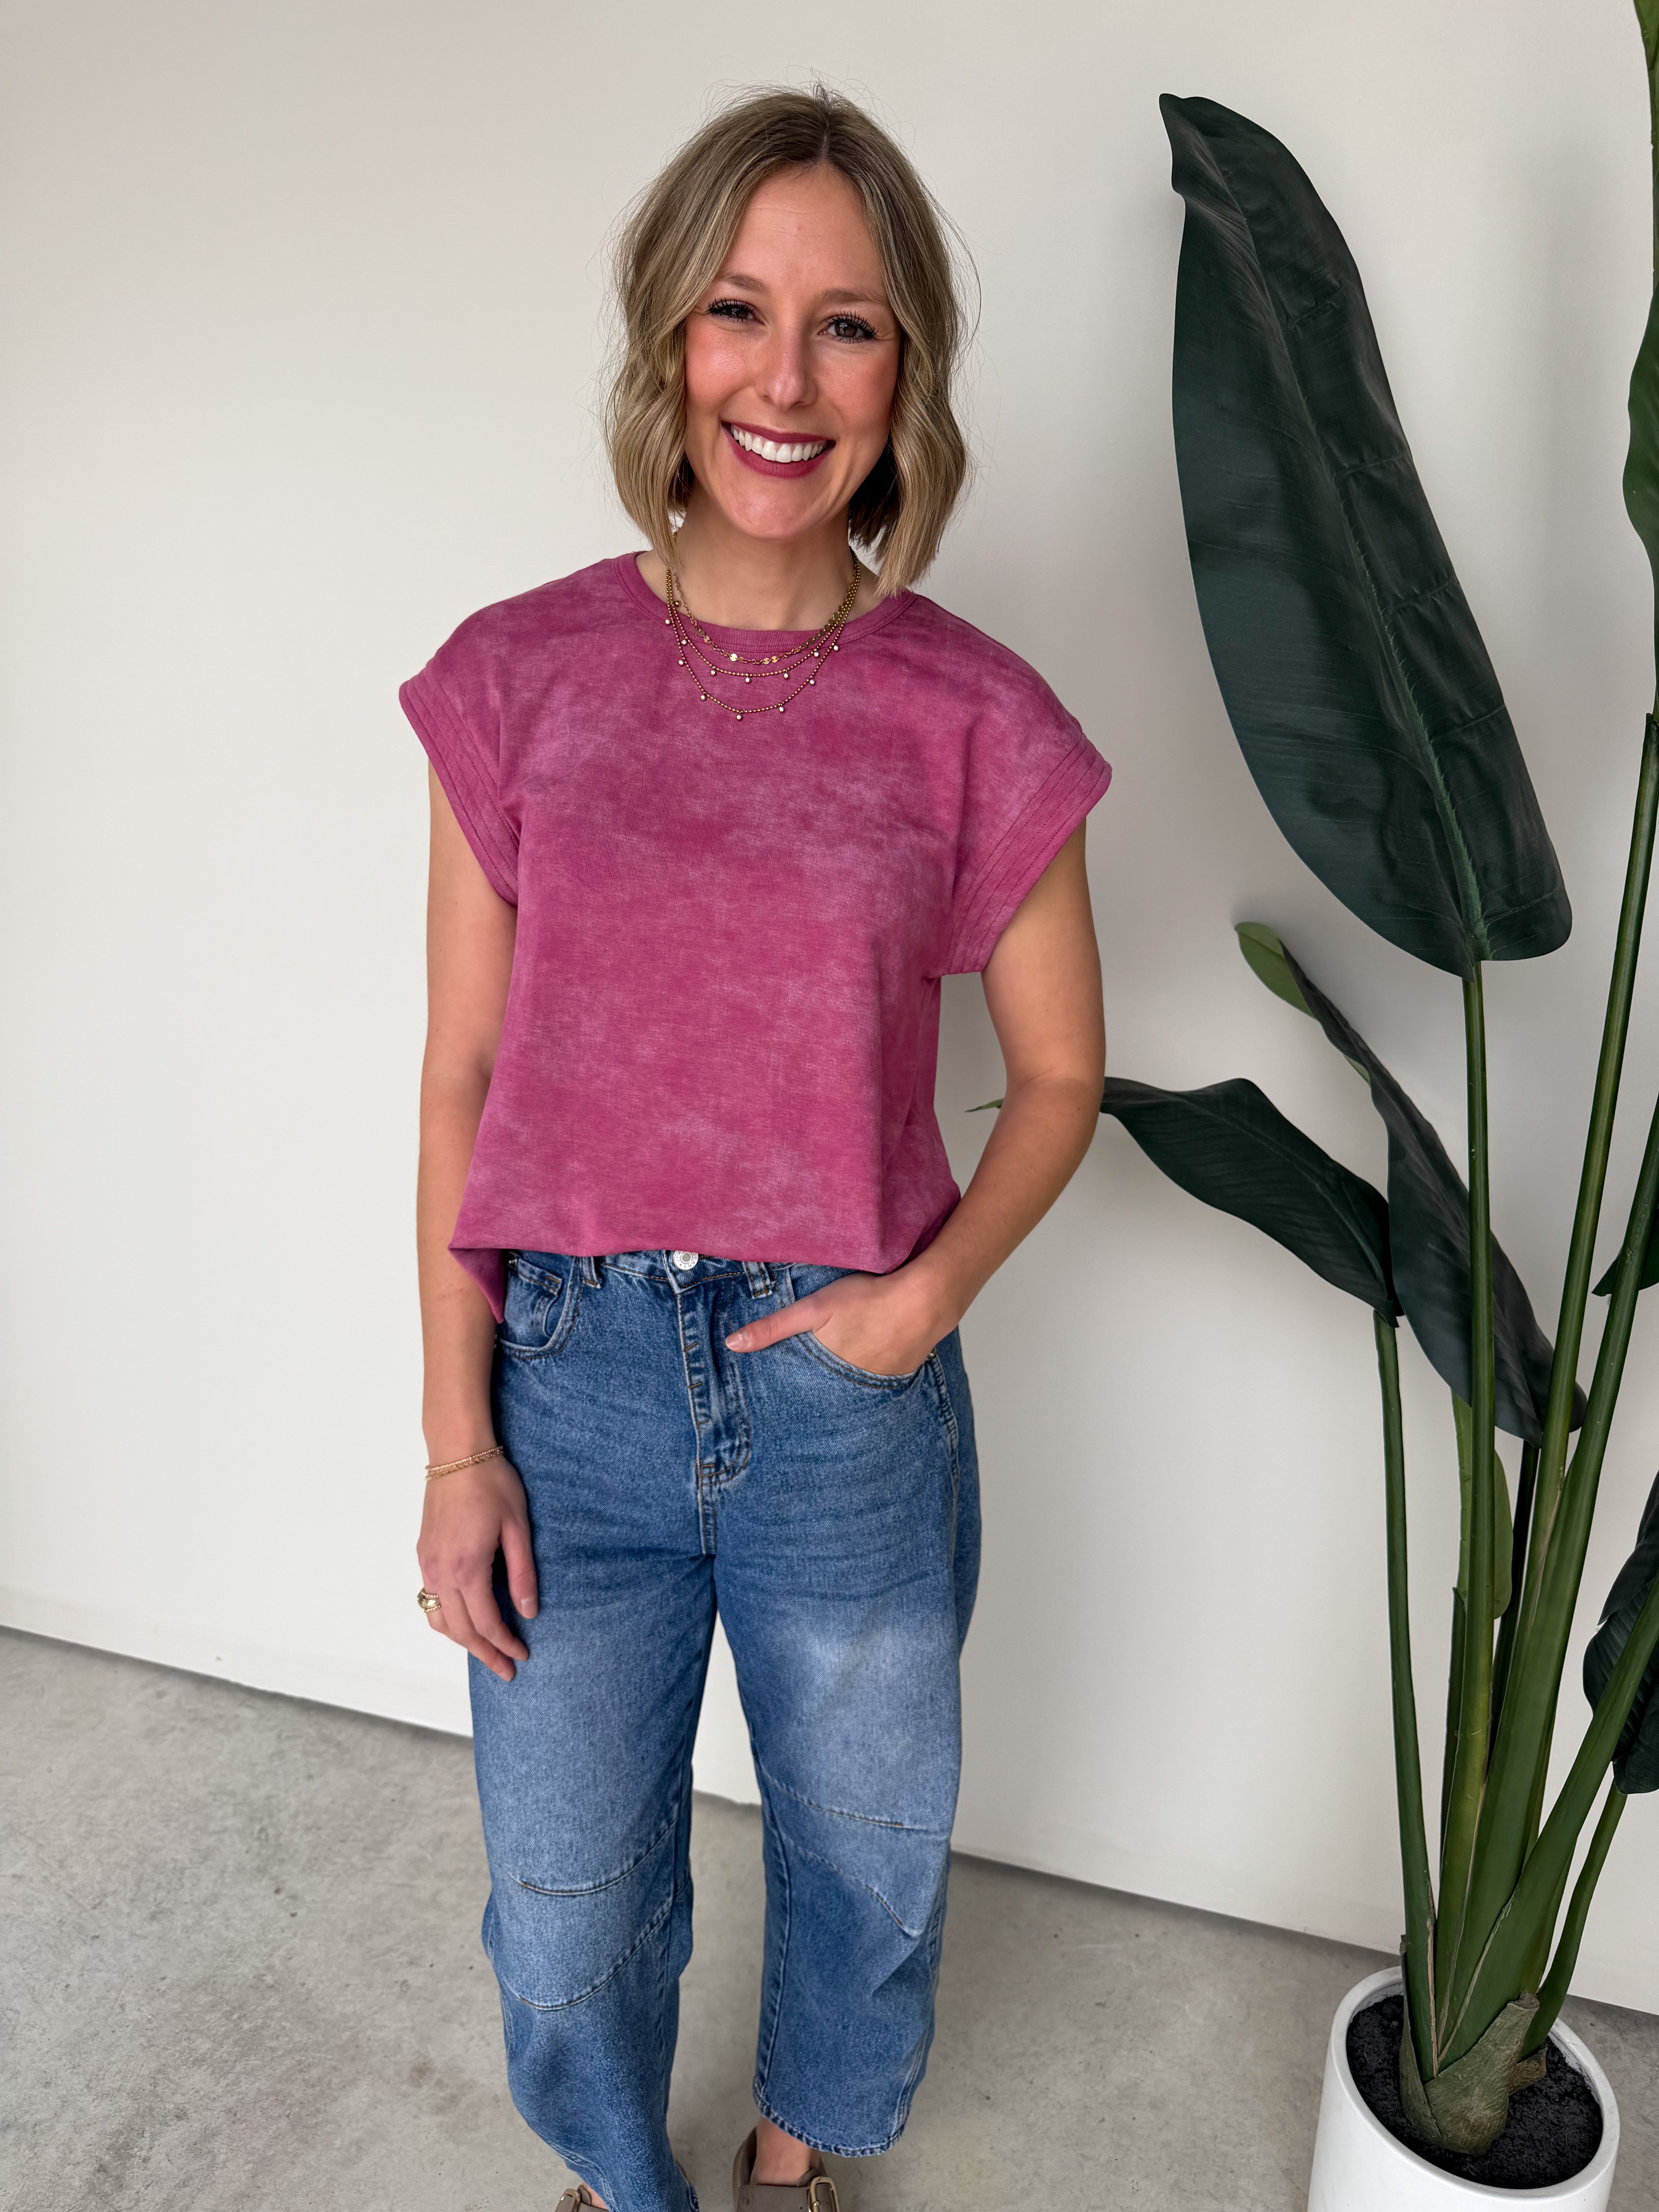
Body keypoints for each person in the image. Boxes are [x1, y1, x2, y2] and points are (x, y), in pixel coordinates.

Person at [402, 84, 1109, 2212]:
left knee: (865, 1847)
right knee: (559, 1898)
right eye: (738, 311)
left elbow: (1062, 1075)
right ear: (668, 337)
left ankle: (795, 2158)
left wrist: (922, 1301)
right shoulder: (518, 679)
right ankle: (625, 2180)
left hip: (843, 1397)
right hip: (572, 1382)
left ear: (908, 375)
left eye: (847, 326)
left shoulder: (977, 717)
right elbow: (459, 1076)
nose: (784, 381)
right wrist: (457, 1440)